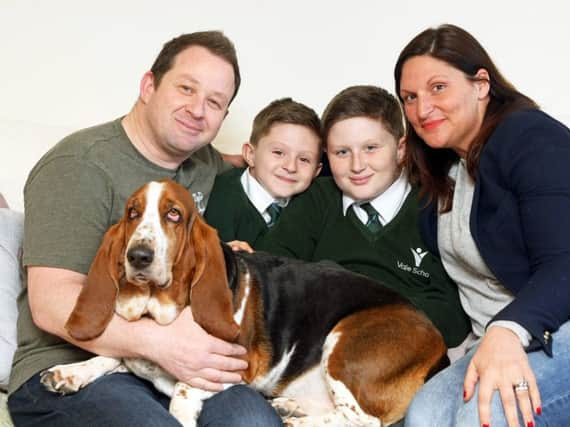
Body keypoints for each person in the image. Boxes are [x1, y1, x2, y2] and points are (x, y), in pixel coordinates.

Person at [8, 31, 282, 427]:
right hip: (70, 365)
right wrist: (163, 344)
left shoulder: (203, 163)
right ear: (149, 85)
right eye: (186, 88)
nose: (197, 110)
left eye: (215, 103)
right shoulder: (76, 166)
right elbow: (49, 304)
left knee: (254, 421)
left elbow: (251, 163)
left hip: (170, 371)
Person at [394, 24, 570, 427]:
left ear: (481, 84)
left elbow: (565, 264)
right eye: (410, 97)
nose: (422, 109)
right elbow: (356, 159)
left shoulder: (532, 138)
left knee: (484, 414)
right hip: (499, 339)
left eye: (438, 88)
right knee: (424, 417)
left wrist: (507, 332)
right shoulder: (442, 175)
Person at [258, 85, 471, 349]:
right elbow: (271, 280)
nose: (357, 165)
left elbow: (451, 318)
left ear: (401, 148)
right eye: (342, 152)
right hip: (313, 349)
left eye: (371, 148)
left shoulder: (433, 204)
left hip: (400, 352)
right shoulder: (317, 200)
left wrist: (348, 305)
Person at [204, 97, 322, 246]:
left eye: (304, 159)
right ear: (250, 155)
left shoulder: (314, 204)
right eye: (278, 152)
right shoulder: (220, 200)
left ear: (316, 171)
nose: (291, 167)